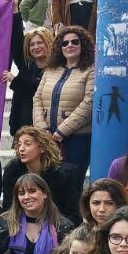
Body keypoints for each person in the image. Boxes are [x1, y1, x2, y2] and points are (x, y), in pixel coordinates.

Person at [33, 25, 96, 174]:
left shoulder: (91, 70)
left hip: (77, 139)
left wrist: (61, 132)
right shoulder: (50, 70)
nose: (70, 45)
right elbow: (37, 99)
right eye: (65, 43)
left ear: (83, 45)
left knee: (73, 185)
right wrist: (42, 129)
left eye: (75, 42)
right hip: (48, 138)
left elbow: (89, 103)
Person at [0, 173, 76, 254]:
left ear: (45, 193)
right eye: (22, 193)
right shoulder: (5, 221)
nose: (27, 196)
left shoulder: (62, 225)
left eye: (32, 191)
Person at [1, 126, 80, 224]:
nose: (21, 149)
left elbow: (72, 213)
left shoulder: (64, 174)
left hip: (56, 223)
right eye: (19, 144)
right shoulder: (12, 170)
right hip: (22, 223)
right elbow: (8, 207)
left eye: (27, 144)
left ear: (42, 148)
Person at [7, 28, 51, 137]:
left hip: (45, 129)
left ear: (48, 43)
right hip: (22, 128)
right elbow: (16, 41)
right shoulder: (26, 66)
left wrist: (16, 82)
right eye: (32, 44)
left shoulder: (56, 68)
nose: (35, 47)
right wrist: (16, 12)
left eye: (40, 43)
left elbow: (38, 91)